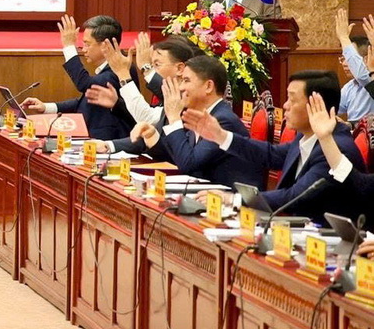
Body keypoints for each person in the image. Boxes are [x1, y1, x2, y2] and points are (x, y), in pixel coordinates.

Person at [185, 71, 365, 221]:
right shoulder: (306, 136)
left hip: (326, 240)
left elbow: (294, 197)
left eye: (292, 100)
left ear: (317, 105)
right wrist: (220, 136)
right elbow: (271, 154)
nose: (285, 105)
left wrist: (233, 199)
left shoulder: (335, 148)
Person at [20, 14, 134, 140]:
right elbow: (85, 101)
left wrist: (69, 47)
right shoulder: (108, 67)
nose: (83, 50)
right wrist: (46, 107)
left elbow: (84, 84)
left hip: (110, 142)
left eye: (87, 44)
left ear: (105, 45)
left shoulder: (121, 69)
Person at [158, 56, 259, 188]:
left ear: (208, 86)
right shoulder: (200, 115)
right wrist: (152, 138)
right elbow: (179, 154)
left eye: (186, 80)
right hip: (204, 192)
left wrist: (173, 118)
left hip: (229, 198)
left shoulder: (223, 120)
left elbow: (189, 163)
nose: (181, 87)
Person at [91, 35, 198, 158]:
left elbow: (147, 119)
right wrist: (108, 145)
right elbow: (149, 123)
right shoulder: (170, 100)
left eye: (156, 65)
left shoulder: (190, 100)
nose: (152, 69)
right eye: (151, 65)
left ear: (180, 68)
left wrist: (130, 72)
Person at [335, 10, 374, 121]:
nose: (344, 63)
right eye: (343, 58)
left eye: (349, 59)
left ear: (367, 59)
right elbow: (333, 107)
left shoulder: (369, 79)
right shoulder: (350, 86)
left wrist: (344, 38)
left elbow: (361, 75)